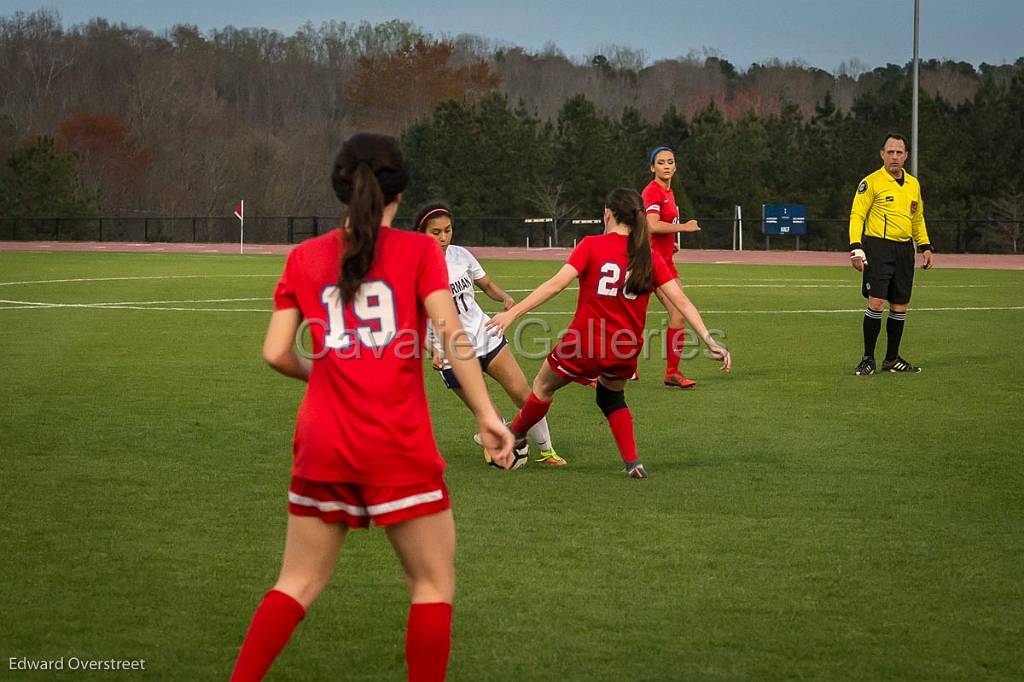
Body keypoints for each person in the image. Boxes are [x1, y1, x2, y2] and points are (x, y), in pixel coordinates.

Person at [229, 133, 513, 682]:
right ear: (399, 194)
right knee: (431, 586)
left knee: (297, 583)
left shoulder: (304, 257)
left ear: (340, 188)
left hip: (322, 441)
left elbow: (274, 352)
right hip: (395, 440)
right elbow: (454, 335)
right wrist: (486, 414)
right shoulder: (419, 253)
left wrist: (323, 375)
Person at [486, 188, 731, 479]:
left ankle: (512, 437)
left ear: (608, 213)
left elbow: (555, 285)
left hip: (584, 344)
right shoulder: (647, 255)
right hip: (625, 350)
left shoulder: (592, 245)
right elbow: (682, 302)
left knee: (542, 387)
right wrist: (709, 339)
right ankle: (633, 463)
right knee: (611, 398)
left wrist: (512, 313)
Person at [415, 202, 565, 467]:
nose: (443, 237)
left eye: (447, 230)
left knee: (524, 395)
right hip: (451, 353)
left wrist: (505, 298)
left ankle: (547, 451)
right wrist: (432, 349)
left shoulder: (461, 255)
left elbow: (486, 286)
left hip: (485, 335)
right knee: (487, 413)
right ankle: (497, 434)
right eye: (435, 232)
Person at [849, 132, 934, 375]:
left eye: (899, 152)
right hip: (878, 247)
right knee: (876, 302)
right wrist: (856, 247)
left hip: (905, 250)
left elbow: (917, 218)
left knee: (900, 306)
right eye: (890, 152)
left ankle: (892, 358)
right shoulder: (871, 182)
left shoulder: (913, 184)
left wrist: (925, 246)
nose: (895, 156)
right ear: (882, 154)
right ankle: (867, 359)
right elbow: (857, 215)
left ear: (906, 156)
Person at [641, 145, 703, 389]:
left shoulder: (668, 192)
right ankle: (596, 371)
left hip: (665, 262)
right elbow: (652, 225)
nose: (666, 166)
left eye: (670, 162)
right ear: (652, 167)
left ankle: (672, 372)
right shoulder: (652, 192)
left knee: (678, 314)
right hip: (650, 264)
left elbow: (656, 230)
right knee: (626, 319)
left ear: (675, 166)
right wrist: (684, 227)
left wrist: (670, 243)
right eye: (661, 162)